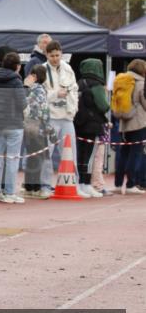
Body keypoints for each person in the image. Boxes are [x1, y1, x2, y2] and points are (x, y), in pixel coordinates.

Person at [0, 51, 26, 204]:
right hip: (14, 124)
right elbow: (22, 103)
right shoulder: (17, 81)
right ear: (17, 66)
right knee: (12, 160)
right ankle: (9, 193)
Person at [42, 39, 79, 193]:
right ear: (46, 55)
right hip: (50, 117)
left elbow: (75, 89)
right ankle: (44, 185)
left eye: (57, 55)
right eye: (52, 56)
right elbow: (40, 94)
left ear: (61, 54)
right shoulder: (42, 70)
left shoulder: (68, 68)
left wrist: (74, 109)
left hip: (67, 117)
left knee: (71, 153)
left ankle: (73, 184)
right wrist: (56, 94)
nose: (55, 58)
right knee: (46, 153)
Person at [74, 59, 110, 198]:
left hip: (79, 123)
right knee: (89, 157)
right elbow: (103, 106)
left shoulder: (78, 83)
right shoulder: (97, 85)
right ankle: (86, 184)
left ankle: (79, 183)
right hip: (93, 124)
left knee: (80, 154)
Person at [114, 59, 146, 194]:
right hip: (138, 123)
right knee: (136, 154)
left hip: (123, 124)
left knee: (123, 154)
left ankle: (117, 184)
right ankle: (130, 185)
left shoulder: (121, 82)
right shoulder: (141, 84)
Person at [22, 64, 52, 198]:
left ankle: (29, 187)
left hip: (28, 125)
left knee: (31, 157)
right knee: (38, 157)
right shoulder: (40, 89)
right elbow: (42, 110)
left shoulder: (30, 89)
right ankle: (35, 188)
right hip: (38, 126)